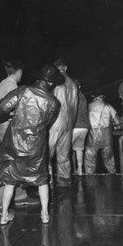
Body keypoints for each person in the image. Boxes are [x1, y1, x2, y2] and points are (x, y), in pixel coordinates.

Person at [0, 63, 63, 225]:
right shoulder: (54, 103)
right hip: (36, 147)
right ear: (52, 83)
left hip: (14, 144)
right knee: (41, 180)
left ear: (39, 78)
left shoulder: (22, 90)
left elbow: (2, 108)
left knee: (10, 180)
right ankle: (45, 214)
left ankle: (4, 215)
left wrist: (5, 118)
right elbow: (47, 123)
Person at [0, 60, 36, 215]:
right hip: (9, 130)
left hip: (4, 129)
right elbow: (12, 110)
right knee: (11, 166)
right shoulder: (11, 86)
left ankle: (19, 196)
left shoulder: (3, 84)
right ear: (18, 71)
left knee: (16, 164)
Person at [48, 58, 78, 187]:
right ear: (65, 68)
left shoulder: (55, 82)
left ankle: (47, 181)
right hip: (68, 122)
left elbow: (49, 103)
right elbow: (75, 107)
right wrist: (71, 123)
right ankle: (64, 181)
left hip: (55, 122)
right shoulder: (73, 84)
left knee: (47, 153)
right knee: (64, 154)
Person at [84, 93, 119, 174]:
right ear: (102, 96)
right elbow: (117, 122)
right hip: (106, 137)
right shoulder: (108, 106)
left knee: (90, 163)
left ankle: (90, 182)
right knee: (109, 162)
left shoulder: (88, 106)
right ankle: (112, 181)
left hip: (92, 137)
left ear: (93, 96)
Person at [72, 80, 90, 175]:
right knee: (79, 148)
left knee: (65, 149)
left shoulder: (72, 94)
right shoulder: (83, 97)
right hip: (85, 127)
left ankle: (66, 173)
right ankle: (79, 170)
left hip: (75, 126)